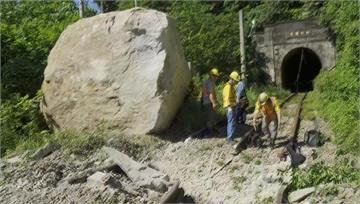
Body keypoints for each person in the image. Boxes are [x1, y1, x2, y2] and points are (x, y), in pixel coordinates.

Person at [223, 71, 241, 144]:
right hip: (230, 107)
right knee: (231, 122)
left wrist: (236, 103)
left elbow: (232, 97)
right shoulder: (228, 87)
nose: (236, 83)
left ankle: (230, 138)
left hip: (232, 106)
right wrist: (231, 107)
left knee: (232, 122)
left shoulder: (231, 86)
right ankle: (230, 139)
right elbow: (227, 99)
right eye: (236, 81)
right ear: (232, 79)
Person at [201, 68, 220, 132]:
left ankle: (213, 129)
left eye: (216, 76)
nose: (216, 77)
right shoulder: (209, 83)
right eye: (215, 76)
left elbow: (213, 93)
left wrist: (216, 101)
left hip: (208, 102)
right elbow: (210, 95)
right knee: (210, 117)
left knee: (212, 116)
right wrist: (214, 103)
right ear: (211, 75)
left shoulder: (210, 82)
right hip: (208, 102)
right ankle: (210, 131)